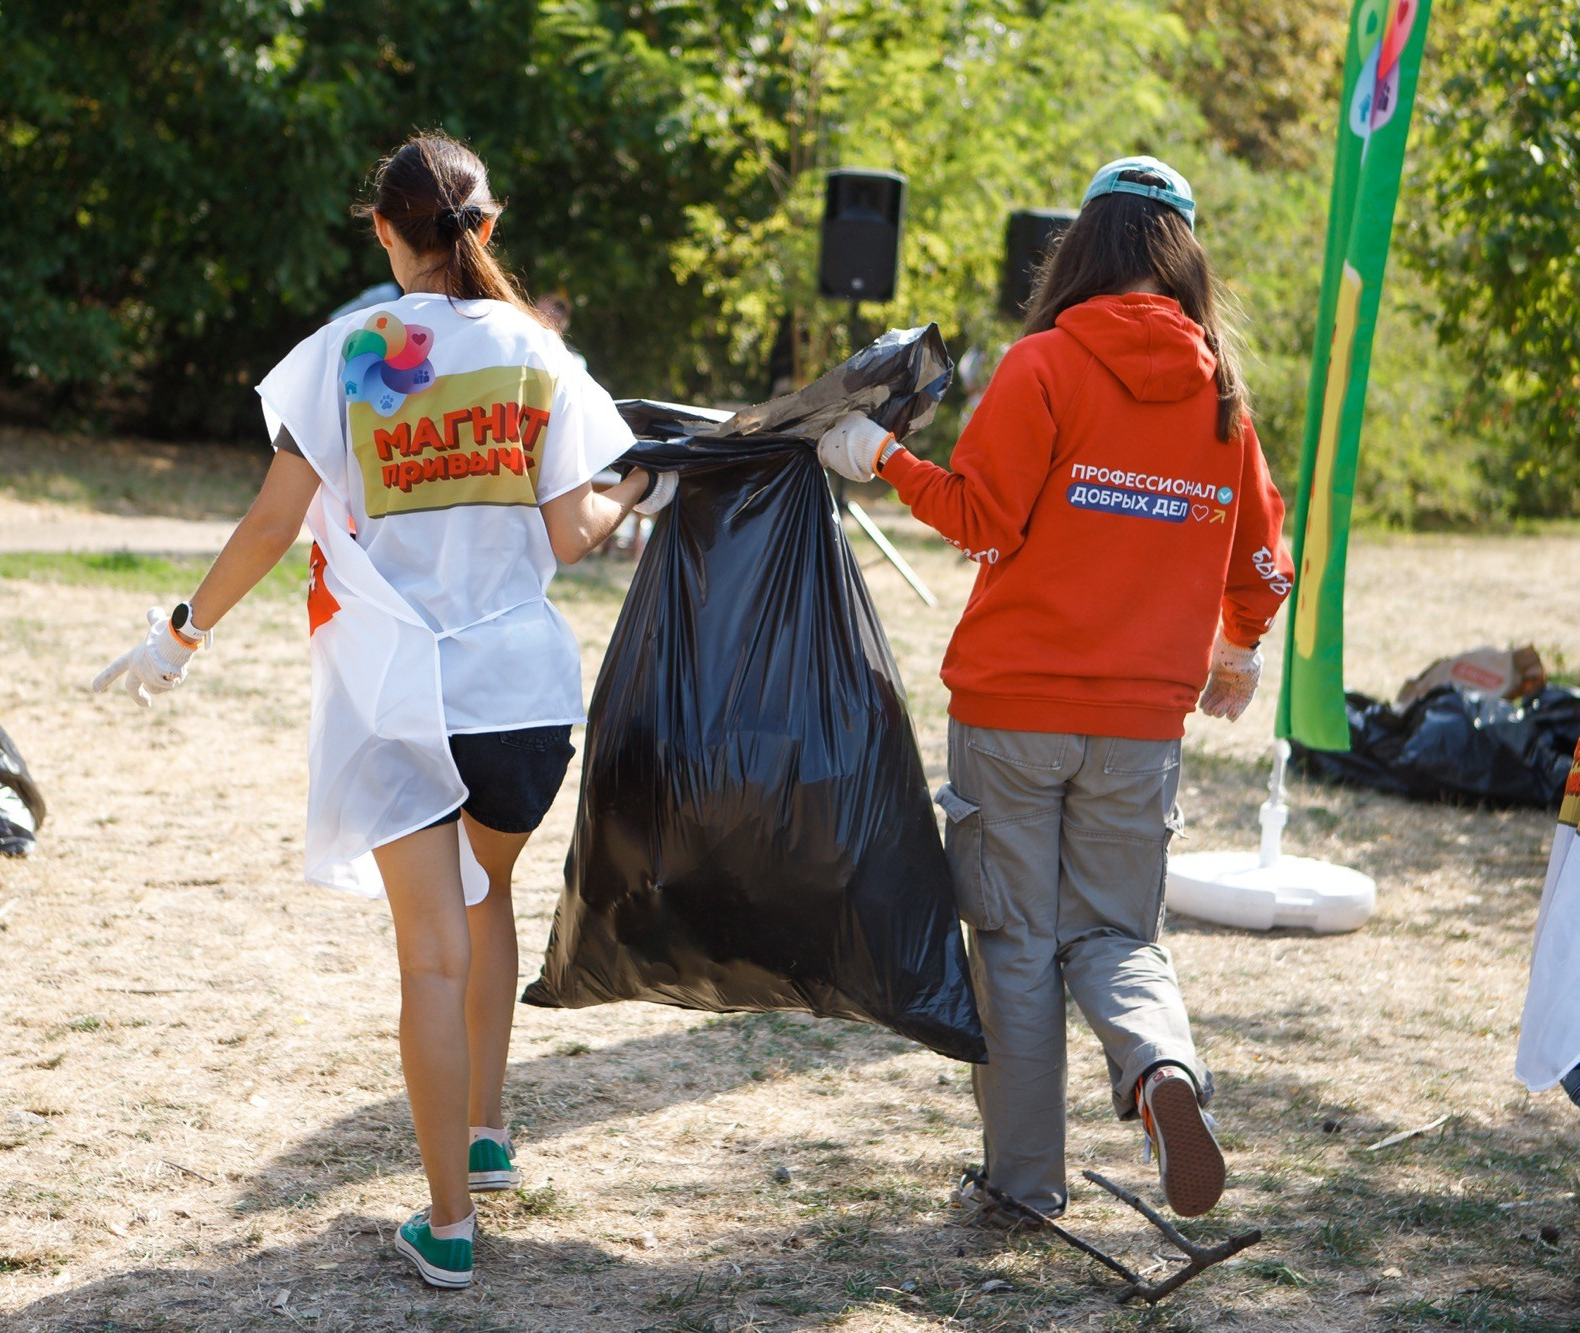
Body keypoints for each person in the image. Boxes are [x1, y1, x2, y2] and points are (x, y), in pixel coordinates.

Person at [90, 133, 674, 1289]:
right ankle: (487, 1132)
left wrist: (179, 633)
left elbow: (268, 527)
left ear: (382, 229)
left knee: (429, 958)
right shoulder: (535, 355)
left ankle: (448, 1224)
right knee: (488, 889)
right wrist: (631, 492)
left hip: (403, 696)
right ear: (486, 227)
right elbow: (571, 534)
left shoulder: (348, 353)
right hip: (521, 698)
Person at [816, 156, 1292, 1222]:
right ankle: (1160, 1070)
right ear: (1182, 259)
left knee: (1016, 947)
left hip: (1012, 711)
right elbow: (1259, 563)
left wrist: (877, 455)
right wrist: (1239, 647)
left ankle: (1022, 1186)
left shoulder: (1041, 364)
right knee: (1117, 937)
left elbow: (980, 516)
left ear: (1082, 246)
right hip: (1138, 724)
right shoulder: (1221, 394)